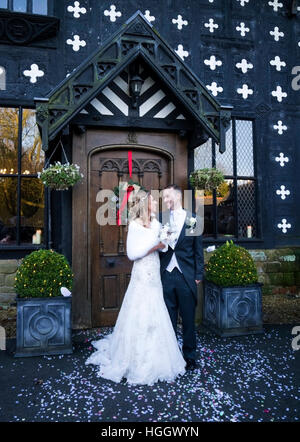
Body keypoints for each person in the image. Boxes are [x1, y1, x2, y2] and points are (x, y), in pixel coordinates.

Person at [85, 190, 186, 386]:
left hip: (154, 271)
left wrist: (164, 241)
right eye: (152, 202)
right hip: (141, 273)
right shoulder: (135, 225)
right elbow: (132, 254)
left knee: (156, 309)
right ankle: (133, 357)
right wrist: (154, 246)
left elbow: (164, 248)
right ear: (143, 204)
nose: (156, 204)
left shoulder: (156, 223)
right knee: (139, 309)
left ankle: (159, 356)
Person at [159, 184, 204, 370]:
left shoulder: (193, 219)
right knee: (167, 318)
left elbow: (197, 249)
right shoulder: (160, 218)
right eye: (164, 198)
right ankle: (170, 356)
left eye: (168, 196)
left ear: (177, 197)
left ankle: (190, 356)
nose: (165, 200)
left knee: (188, 319)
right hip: (166, 274)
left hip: (187, 276)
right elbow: (158, 246)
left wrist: (198, 274)